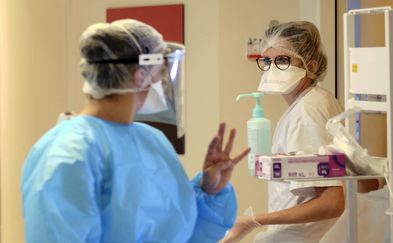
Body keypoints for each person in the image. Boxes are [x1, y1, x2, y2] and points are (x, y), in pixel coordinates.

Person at [21, 19, 250, 243]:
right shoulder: (68, 151)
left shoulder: (151, 139)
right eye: (160, 72)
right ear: (139, 76)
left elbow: (181, 232)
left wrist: (208, 191)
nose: (161, 80)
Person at [221, 21, 345, 243]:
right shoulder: (316, 101)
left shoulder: (306, 113)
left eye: (282, 60)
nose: (272, 68)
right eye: (267, 61)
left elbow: (332, 202)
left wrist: (253, 221)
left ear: (312, 66)